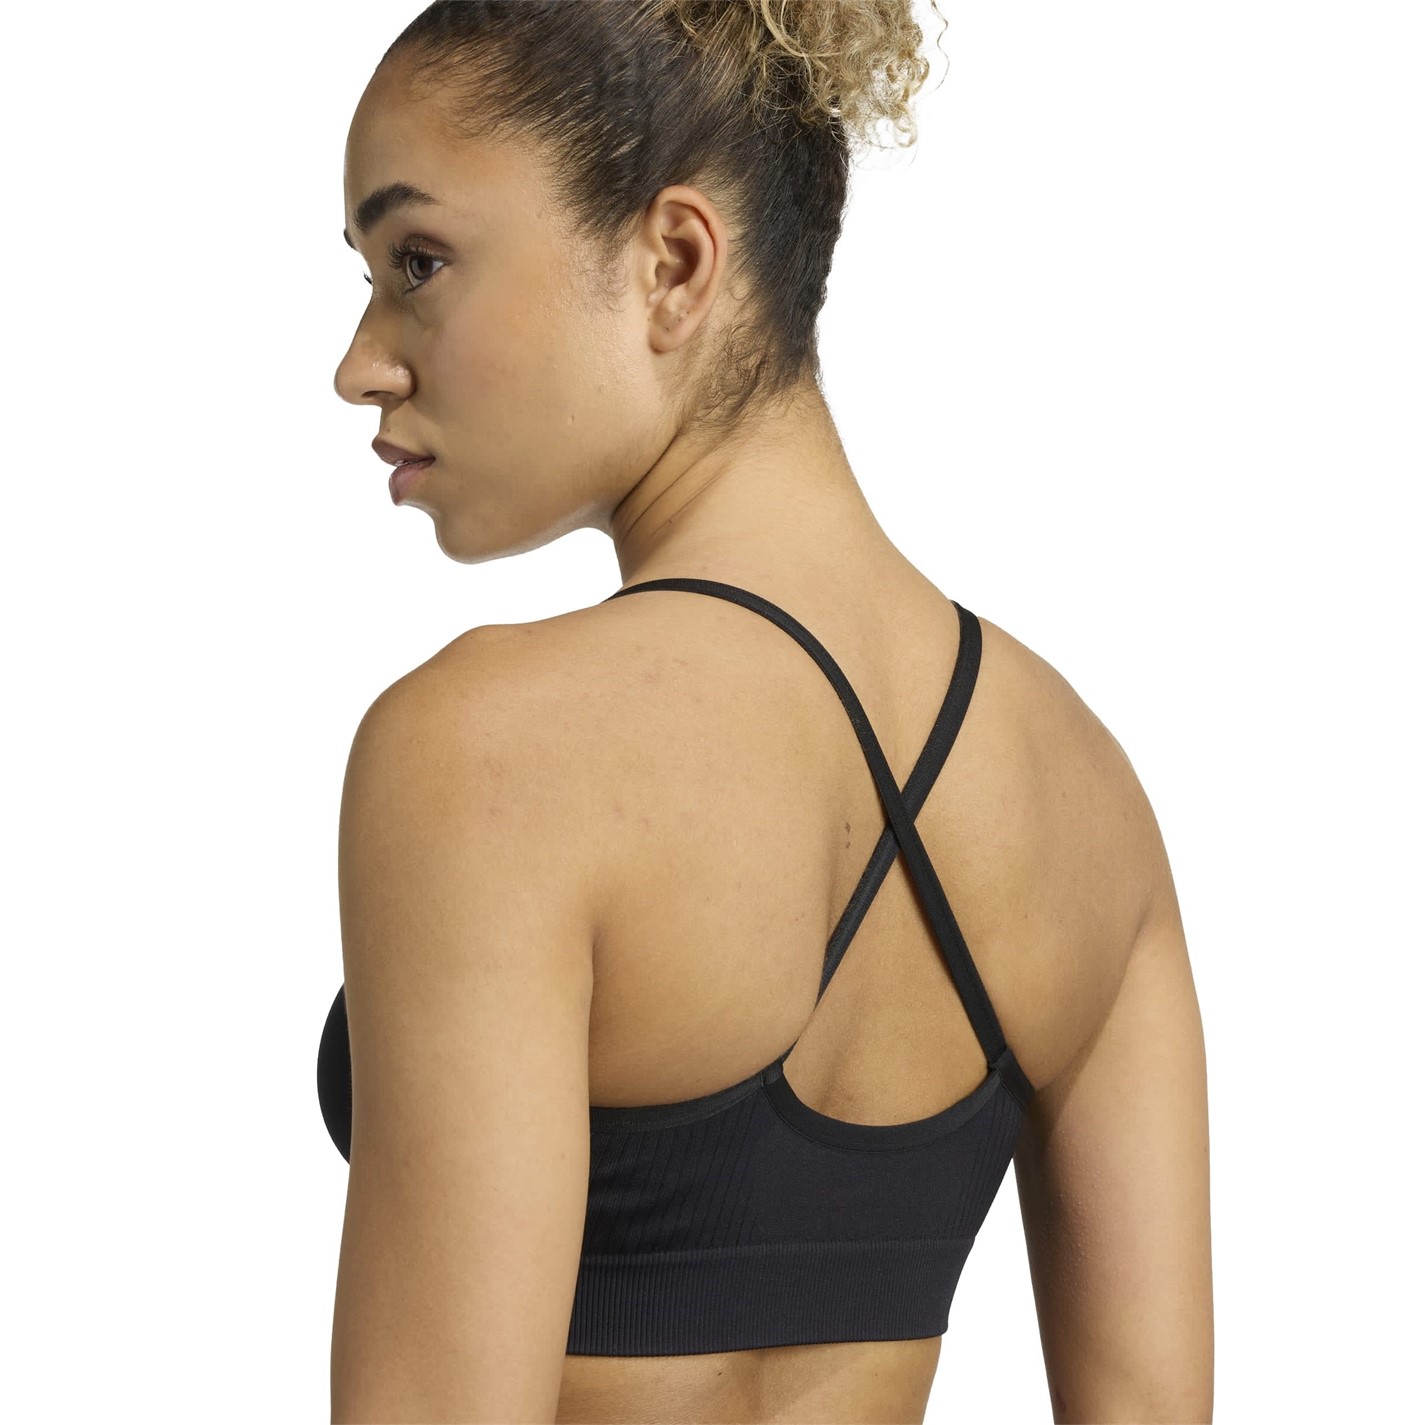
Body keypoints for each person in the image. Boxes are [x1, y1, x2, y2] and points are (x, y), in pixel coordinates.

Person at [320, 3, 1213, 1421]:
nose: (360, 362)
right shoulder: (1082, 783)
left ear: (673, 264)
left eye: (417, 263)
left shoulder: (485, 750)